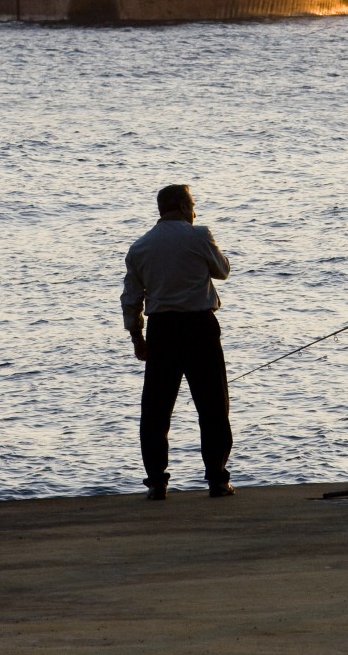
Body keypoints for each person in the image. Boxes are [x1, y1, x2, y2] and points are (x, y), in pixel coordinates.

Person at [121, 183, 234, 500]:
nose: (194, 212)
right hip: (200, 327)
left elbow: (131, 299)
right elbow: (223, 271)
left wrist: (137, 336)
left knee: (156, 410)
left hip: (162, 330)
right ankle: (217, 480)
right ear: (184, 207)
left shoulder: (140, 247)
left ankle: (157, 482)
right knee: (213, 406)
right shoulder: (199, 235)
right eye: (193, 205)